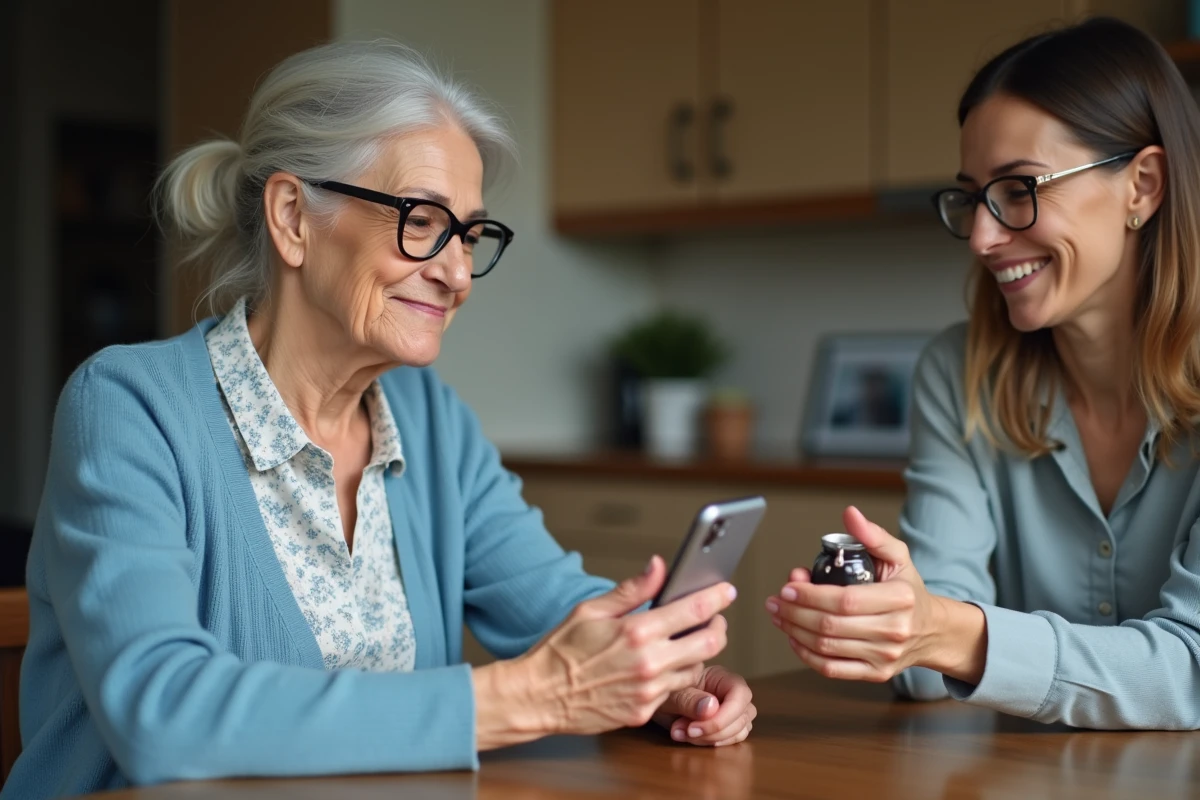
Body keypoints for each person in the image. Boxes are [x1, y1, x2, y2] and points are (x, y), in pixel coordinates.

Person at [3, 41, 755, 799]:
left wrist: (666, 675)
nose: (457, 273)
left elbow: (555, 607)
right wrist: (526, 697)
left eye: (469, 235)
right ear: (293, 218)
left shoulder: (431, 424)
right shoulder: (130, 408)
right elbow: (161, 712)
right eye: (422, 220)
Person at [766, 16, 1200, 729]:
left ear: (1142, 186)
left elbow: (1190, 670)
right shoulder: (957, 373)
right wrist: (888, 624)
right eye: (972, 197)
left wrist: (943, 631)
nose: (983, 236)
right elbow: (927, 673)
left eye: (1021, 188)